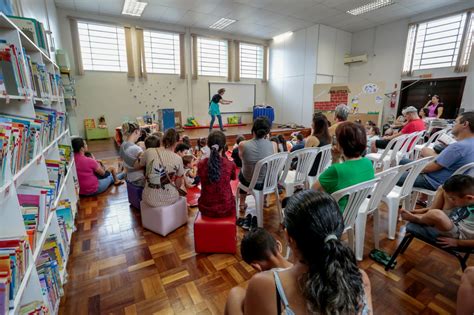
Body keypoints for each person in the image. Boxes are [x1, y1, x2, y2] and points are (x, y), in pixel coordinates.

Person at [225, 190, 372, 315]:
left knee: (235, 296)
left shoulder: (265, 285)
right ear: (339, 229)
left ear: (289, 238)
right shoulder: (361, 279)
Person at [397, 112, 474, 190]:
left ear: (465, 124)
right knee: (403, 161)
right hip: (453, 181)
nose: (453, 125)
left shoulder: (458, 146)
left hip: (433, 181)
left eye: (456, 122)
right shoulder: (470, 143)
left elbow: (429, 168)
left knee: (389, 177)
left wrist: (413, 168)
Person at [313, 122, 375, 211]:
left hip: (334, 215)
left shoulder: (336, 170)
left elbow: (313, 191)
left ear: (340, 143)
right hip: (354, 210)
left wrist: (335, 160)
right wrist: (335, 159)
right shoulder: (368, 162)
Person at [400, 175, 474, 248]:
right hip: (454, 218)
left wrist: (458, 242)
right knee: (443, 188)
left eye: (453, 199)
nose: (451, 200)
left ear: (469, 198)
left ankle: (420, 219)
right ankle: (429, 213)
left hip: (459, 233)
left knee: (436, 214)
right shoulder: (469, 199)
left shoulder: (467, 199)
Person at [139, 128, 185, 207]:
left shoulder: (149, 151)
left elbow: (140, 164)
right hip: (169, 198)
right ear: (176, 142)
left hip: (148, 197)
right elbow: (178, 185)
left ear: (163, 139)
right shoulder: (178, 158)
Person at [197, 131, 237, 217]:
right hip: (226, 207)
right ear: (223, 146)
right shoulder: (230, 164)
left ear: (208, 145)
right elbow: (233, 178)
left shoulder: (200, 165)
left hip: (206, 207)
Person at [238, 117, 274, 212]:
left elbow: (242, 158)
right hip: (268, 183)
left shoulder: (242, 144)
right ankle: (265, 200)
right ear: (267, 132)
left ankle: (242, 203)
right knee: (267, 171)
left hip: (249, 182)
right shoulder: (273, 144)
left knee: (243, 172)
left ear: (253, 129)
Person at [119, 122, 145, 187]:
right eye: (140, 133)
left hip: (129, 178)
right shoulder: (136, 149)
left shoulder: (123, 145)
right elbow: (142, 165)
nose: (139, 136)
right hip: (138, 180)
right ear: (136, 132)